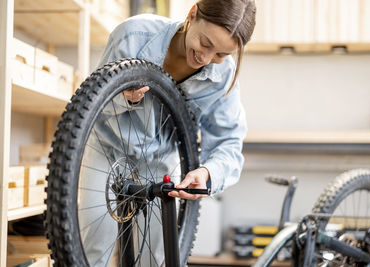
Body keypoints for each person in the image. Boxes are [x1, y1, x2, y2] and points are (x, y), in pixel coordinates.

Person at [81, 0, 256, 265]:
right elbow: (91, 104)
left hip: (161, 159)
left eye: (221, 54)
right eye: (205, 43)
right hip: (108, 146)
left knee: (156, 257)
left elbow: (228, 142)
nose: (206, 59)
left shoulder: (224, 75)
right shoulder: (132, 36)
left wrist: (207, 172)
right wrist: (122, 97)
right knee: (93, 246)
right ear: (192, 14)